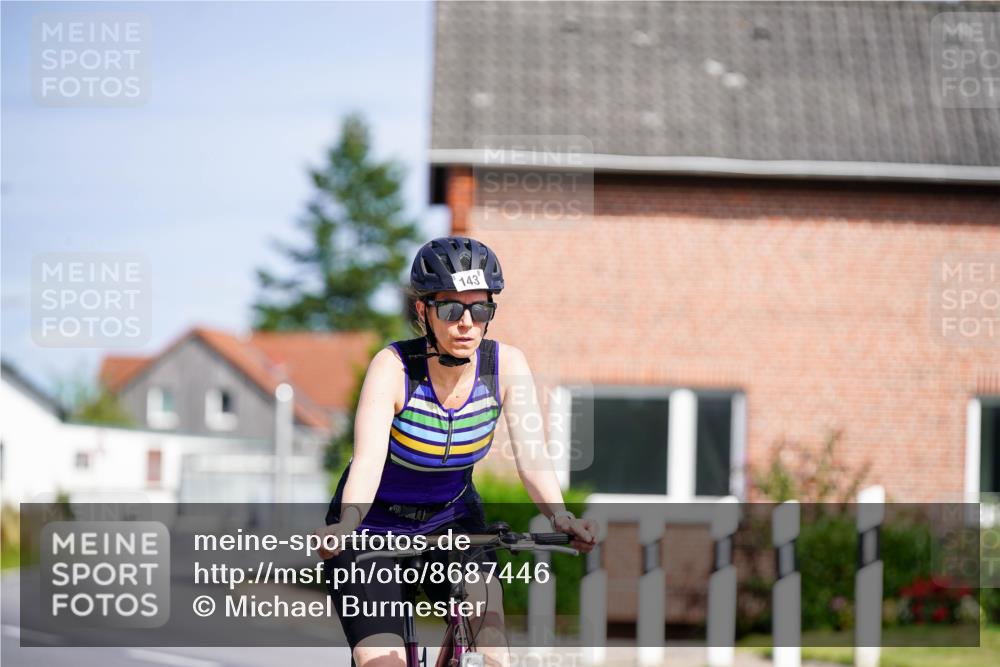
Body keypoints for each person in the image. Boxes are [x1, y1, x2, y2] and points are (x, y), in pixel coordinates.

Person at [314, 236, 597, 667]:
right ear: (422, 310)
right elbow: (368, 462)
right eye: (450, 309)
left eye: (479, 309)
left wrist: (561, 515)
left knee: (492, 641)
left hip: (452, 520)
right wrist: (347, 523)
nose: (466, 322)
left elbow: (533, 459)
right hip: (370, 525)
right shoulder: (393, 368)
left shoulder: (506, 366)